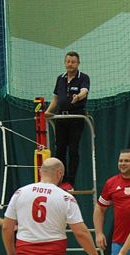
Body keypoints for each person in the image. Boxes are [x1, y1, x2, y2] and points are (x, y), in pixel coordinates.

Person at [45, 51, 90, 190]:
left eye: (73, 62)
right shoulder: (60, 78)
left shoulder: (83, 77)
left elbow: (84, 91)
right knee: (60, 150)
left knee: (73, 150)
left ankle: (70, 182)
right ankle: (60, 181)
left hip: (76, 118)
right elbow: (56, 99)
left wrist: (78, 97)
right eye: (68, 61)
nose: (70, 64)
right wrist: (48, 112)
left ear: (78, 63)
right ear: (65, 62)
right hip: (60, 118)